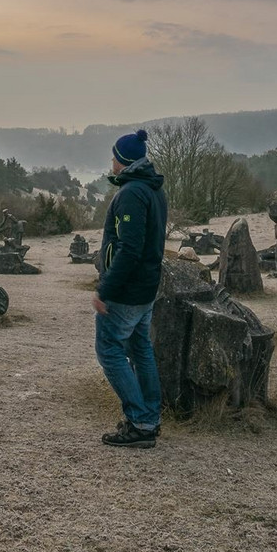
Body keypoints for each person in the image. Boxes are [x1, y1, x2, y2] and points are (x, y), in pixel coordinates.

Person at [92, 128, 167, 449]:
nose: (111, 161)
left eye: (114, 156)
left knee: (109, 351)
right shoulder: (153, 190)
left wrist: (105, 288)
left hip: (127, 290)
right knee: (140, 350)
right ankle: (149, 419)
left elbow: (130, 248)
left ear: (123, 161)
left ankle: (139, 421)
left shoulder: (131, 194)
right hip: (146, 287)